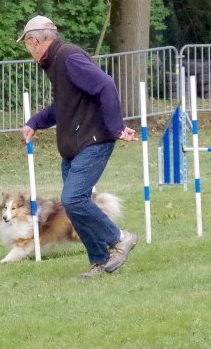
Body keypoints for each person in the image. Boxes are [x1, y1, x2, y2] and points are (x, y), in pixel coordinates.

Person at [18, 15, 138, 278]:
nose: (28, 50)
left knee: (72, 199)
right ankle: (101, 260)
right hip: (74, 144)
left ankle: (120, 237)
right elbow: (63, 107)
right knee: (74, 205)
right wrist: (35, 122)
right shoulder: (56, 64)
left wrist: (116, 127)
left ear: (35, 41)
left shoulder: (69, 57)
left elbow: (105, 85)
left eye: (27, 45)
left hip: (93, 140)